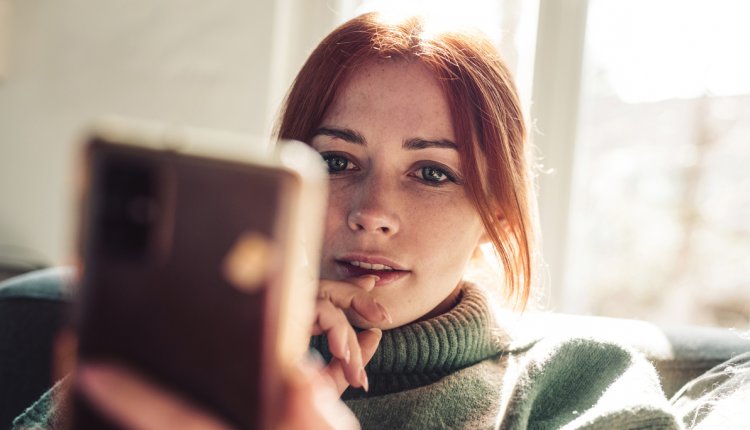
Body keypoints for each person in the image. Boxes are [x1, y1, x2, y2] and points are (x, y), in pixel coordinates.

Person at [14, 10, 747, 430]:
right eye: (336, 162)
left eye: (432, 172)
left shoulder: (584, 381)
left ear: (496, 212)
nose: (373, 214)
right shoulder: (185, 351)